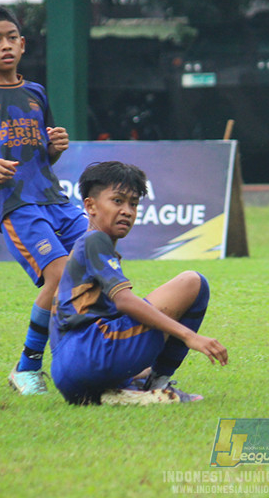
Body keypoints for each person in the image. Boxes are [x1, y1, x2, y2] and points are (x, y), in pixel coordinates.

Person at [0, 5, 89, 395]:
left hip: (55, 200)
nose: (6, 45)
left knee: (96, 258)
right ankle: (26, 367)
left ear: (23, 44)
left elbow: (45, 154)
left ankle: (92, 354)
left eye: (12, 38)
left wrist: (56, 146)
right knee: (59, 274)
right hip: (17, 206)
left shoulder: (36, 93)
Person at [48, 161, 228, 405]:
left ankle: (121, 389)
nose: (127, 211)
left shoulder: (88, 245)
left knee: (145, 323)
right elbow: (124, 301)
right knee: (193, 283)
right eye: (117, 201)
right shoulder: (95, 240)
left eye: (133, 204)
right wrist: (189, 336)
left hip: (68, 371)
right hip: (87, 355)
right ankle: (157, 383)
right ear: (90, 205)